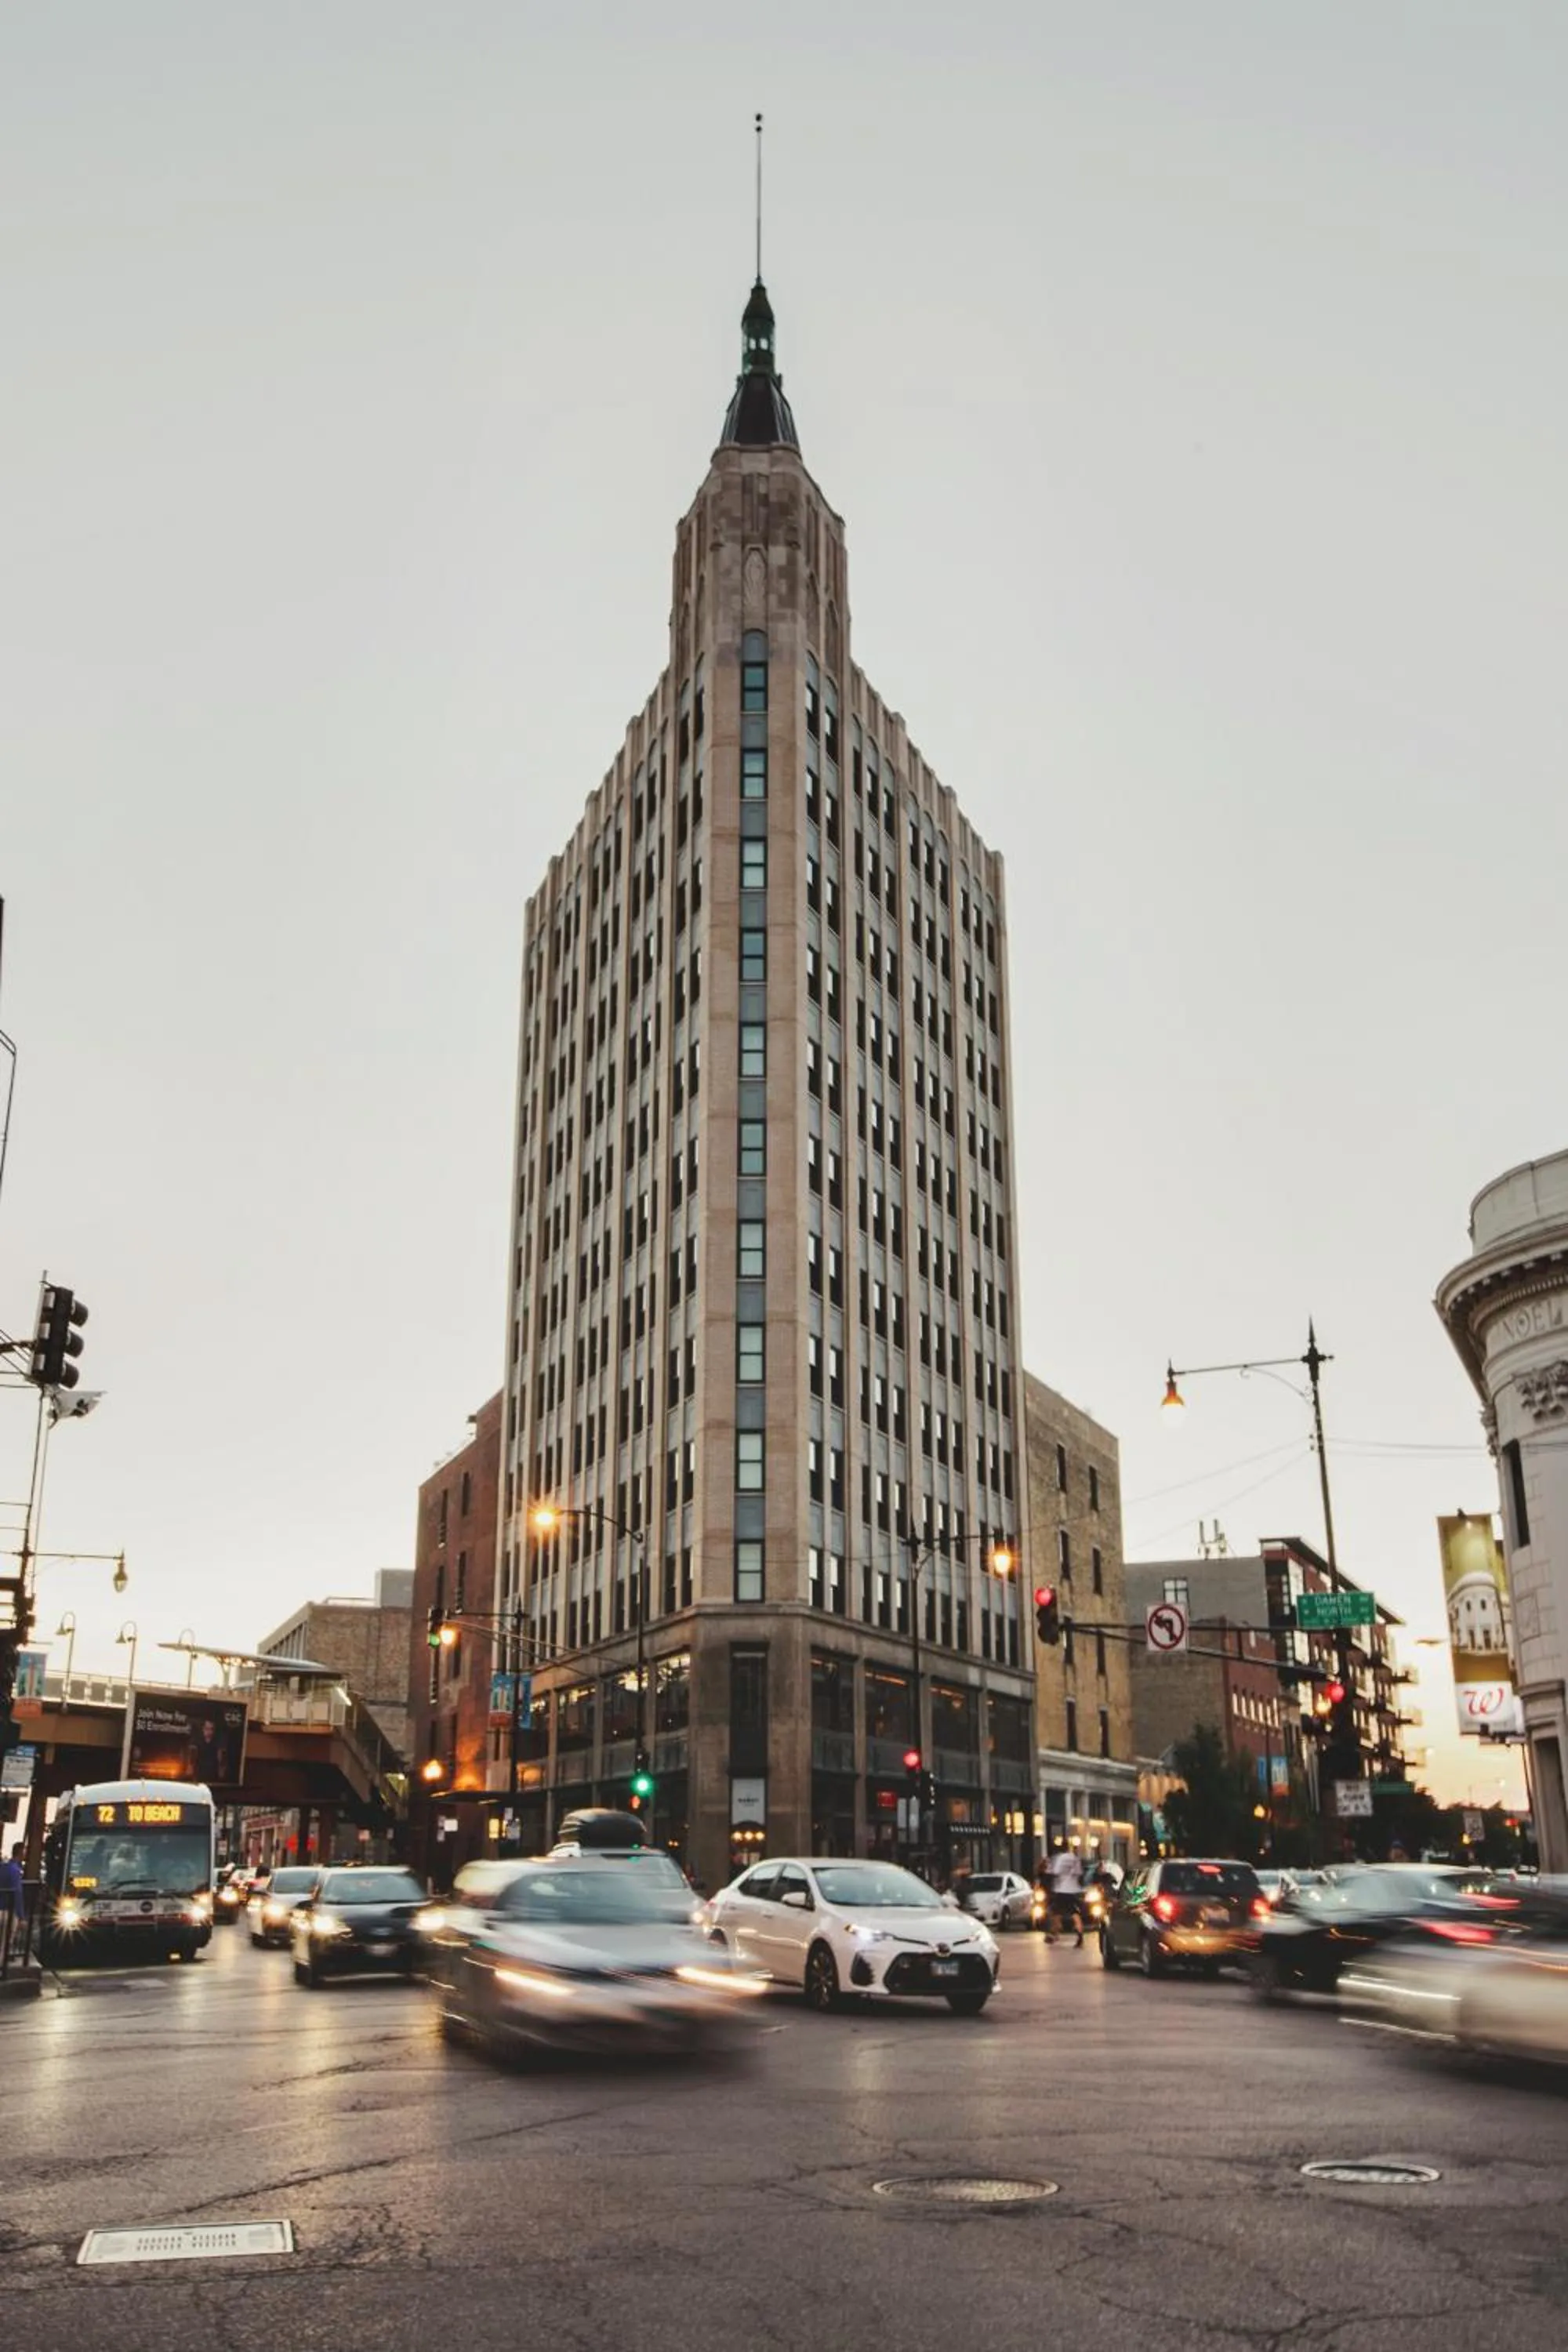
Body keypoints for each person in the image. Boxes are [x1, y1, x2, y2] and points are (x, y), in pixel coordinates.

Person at [1044, 1841, 1084, 1947]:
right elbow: (1079, 1873)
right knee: (1074, 1911)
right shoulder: (1074, 1858)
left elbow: (1055, 1872)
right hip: (1073, 1889)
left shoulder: (1060, 1858)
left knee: (1054, 1911)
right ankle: (1080, 1931)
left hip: (1062, 1889)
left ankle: (1054, 1933)